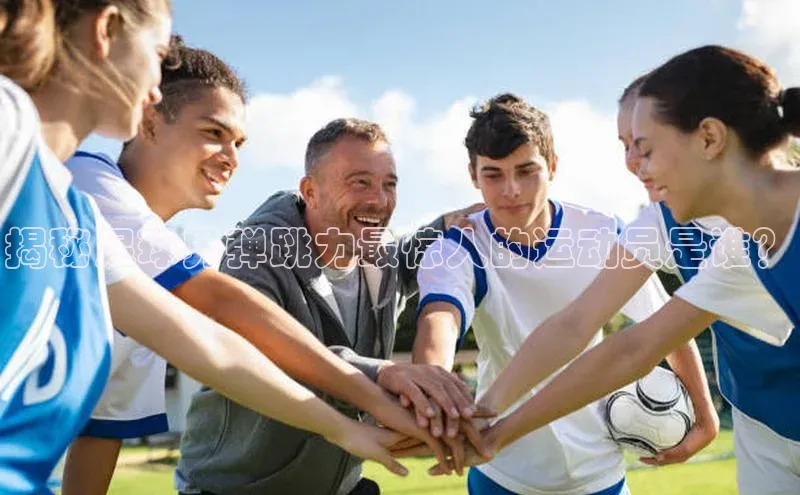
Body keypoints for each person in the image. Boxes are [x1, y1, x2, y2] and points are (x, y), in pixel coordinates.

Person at [0, 2, 423, 493]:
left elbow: (200, 355)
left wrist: (345, 426)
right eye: (214, 133)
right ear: (106, 30)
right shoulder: (70, 171)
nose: (155, 88)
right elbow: (219, 306)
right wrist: (371, 394)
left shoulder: (86, 224)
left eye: (238, 143)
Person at [458, 45, 800, 494]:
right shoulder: (736, 253)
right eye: (627, 147)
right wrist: (489, 426)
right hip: (768, 427)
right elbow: (626, 345)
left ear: (709, 138)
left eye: (645, 148)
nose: (635, 166)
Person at [411, 93, 714, 495]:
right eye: (493, 175)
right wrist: (431, 389)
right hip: (502, 470)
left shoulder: (601, 232)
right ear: (473, 175)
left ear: (552, 166)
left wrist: (704, 414)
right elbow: (440, 319)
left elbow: (665, 328)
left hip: (599, 470)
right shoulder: (458, 246)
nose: (511, 190)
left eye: (526, 171)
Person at [176, 117, 485, 495]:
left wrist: (450, 224)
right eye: (360, 182)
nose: (379, 200)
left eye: (389, 184)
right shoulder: (255, 252)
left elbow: (409, 255)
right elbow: (268, 350)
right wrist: (382, 373)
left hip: (339, 486)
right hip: (236, 488)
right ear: (310, 190)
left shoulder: (381, 254)